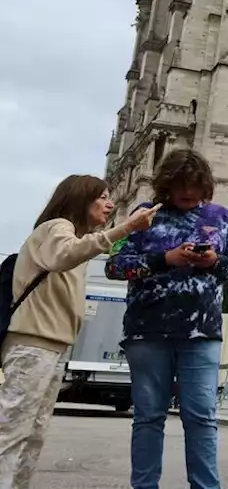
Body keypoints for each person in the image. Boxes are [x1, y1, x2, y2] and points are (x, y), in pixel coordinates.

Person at [0, 176, 159, 487]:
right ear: (79, 199)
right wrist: (125, 228)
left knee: (31, 435)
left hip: (51, 347)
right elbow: (65, 254)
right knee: (13, 431)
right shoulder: (57, 228)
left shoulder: (72, 238)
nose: (110, 204)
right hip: (34, 346)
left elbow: (79, 252)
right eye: (102, 197)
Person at [106, 149, 228, 489]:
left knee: (201, 417)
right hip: (147, 331)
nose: (188, 192)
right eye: (181, 184)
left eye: (196, 185)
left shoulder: (221, 217)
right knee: (148, 417)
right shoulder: (144, 215)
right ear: (166, 184)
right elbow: (114, 265)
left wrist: (213, 262)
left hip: (202, 333)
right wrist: (165, 259)